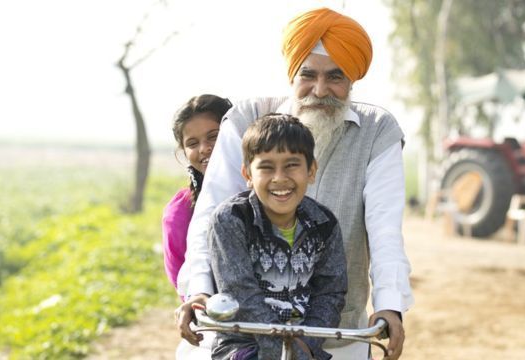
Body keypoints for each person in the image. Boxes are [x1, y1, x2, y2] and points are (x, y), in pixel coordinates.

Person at [176, 7, 414, 359]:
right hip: (242, 334)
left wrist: (390, 304)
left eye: (335, 76)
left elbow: (384, 227)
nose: (320, 90)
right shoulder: (245, 118)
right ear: (292, 73)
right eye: (308, 74)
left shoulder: (378, 131)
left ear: (352, 79)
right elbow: (210, 214)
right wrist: (199, 291)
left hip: (337, 330)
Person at [208, 114, 347, 359]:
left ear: (311, 170)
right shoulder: (232, 219)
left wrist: (306, 346)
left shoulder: (324, 223)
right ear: (248, 174)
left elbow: (331, 292)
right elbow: (241, 294)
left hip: (304, 345)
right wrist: (286, 352)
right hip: (244, 343)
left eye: (292, 164)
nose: (280, 178)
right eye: (266, 167)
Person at [162, 94, 232, 290]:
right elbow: (183, 284)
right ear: (183, 152)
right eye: (192, 143)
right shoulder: (179, 213)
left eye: (214, 136)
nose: (205, 148)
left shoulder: (268, 193)